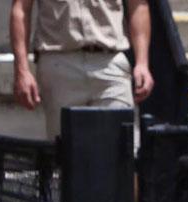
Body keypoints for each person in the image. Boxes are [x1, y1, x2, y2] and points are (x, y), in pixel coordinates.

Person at [10, 0, 154, 139]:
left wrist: (142, 63)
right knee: (65, 151)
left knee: (121, 149)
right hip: (60, 64)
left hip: (110, 63)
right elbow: (21, 9)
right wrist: (22, 70)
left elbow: (138, 6)